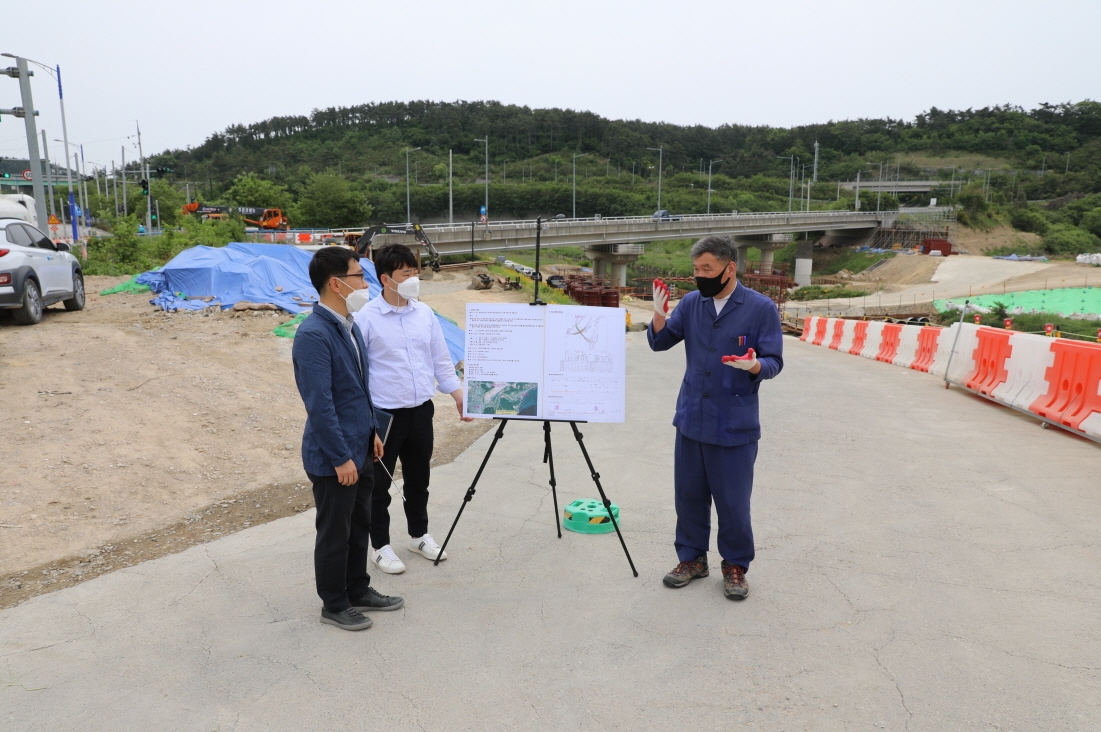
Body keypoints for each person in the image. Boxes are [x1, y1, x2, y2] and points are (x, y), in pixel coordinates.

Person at [647, 235, 784, 600]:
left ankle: (735, 565)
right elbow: (660, 343)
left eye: (707, 269)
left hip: (734, 422)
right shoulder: (693, 304)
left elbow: (774, 361)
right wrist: (660, 315)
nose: (700, 276)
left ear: (729, 267)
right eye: (696, 269)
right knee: (688, 496)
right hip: (692, 417)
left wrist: (755, 365)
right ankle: (691, 559)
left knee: (733, 501)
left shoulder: (760, 308)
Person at [292, 247, 404, 631]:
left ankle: (358, 589)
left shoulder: (350, 324)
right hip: (334, 457)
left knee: (360, 525)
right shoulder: (313, 334)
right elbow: (320, 405)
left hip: (361, 447)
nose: (365, 283)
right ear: (336, 284)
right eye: (359, 275)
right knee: (334, 533)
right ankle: (334, 603)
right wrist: (340, 457)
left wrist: (373, 431)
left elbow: (360, 388)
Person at [353, 243, 473, 574]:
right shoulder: (366, 319)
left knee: (419, 479)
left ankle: (418, 535)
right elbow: (358, 373)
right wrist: (365, 420)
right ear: (386, 279)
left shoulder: (424, 313)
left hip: (422, 411)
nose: (414, 279)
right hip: (385, 416)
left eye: (415, 272)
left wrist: (457, 394)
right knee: (379, 485)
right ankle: (379, 546)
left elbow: (440, 359)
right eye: (406, 274)